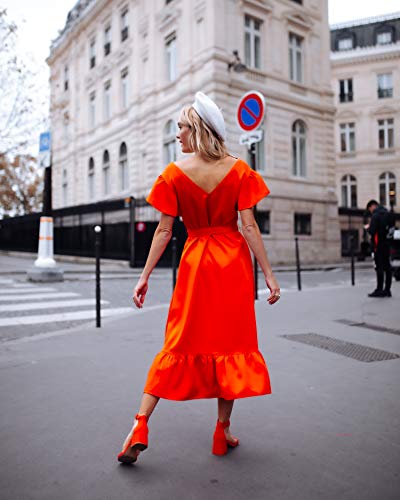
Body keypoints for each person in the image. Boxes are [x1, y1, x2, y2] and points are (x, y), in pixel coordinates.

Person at [117, 92, 280, 464]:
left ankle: (140, 424)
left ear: (199, 129)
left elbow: (163, 232)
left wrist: (144, 277)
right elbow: (249, 226)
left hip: (194, 264)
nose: (177, 134)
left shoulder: (175, 174)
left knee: (177, 340)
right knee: (230, 344)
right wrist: (269, 275)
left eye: (182, 127)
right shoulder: (239, 171)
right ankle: (221, 431)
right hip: (232, 266)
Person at [366, 199, 394, 298]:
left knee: (379, 267)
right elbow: (392, 229)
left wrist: (368, 228)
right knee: (388, 268)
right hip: (387, 244)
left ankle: (379, 289)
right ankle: (387, 290)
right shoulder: (389, 214)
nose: (370, 211)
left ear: (372, 206)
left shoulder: (376, 215)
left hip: (378, 245)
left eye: (370, 209)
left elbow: (372, 231)